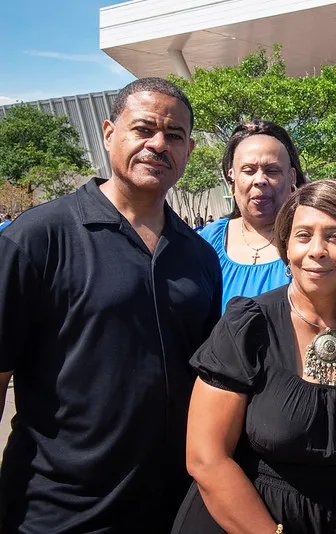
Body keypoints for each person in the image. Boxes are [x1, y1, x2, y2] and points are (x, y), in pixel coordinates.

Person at [0, 77, 223, 532]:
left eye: (174, 135)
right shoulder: (39, 237)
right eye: (143, 129)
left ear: (189, 151)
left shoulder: (198, 255)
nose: (158, 144)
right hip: (54, 511)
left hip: (169, 508)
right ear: (108, 133)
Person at [171, 179, 336, 534]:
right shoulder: (247, 326)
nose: (317, 250)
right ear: (286, 244)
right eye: (303, 235)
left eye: (335, 236)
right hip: (242, 522)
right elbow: (206, 459)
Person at [201, 120, 308, 311]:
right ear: (231, 178)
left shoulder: (313, 240)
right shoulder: (208, 240)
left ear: (292, 176)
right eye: (248, 171)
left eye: (272, 171)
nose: (260, 180)